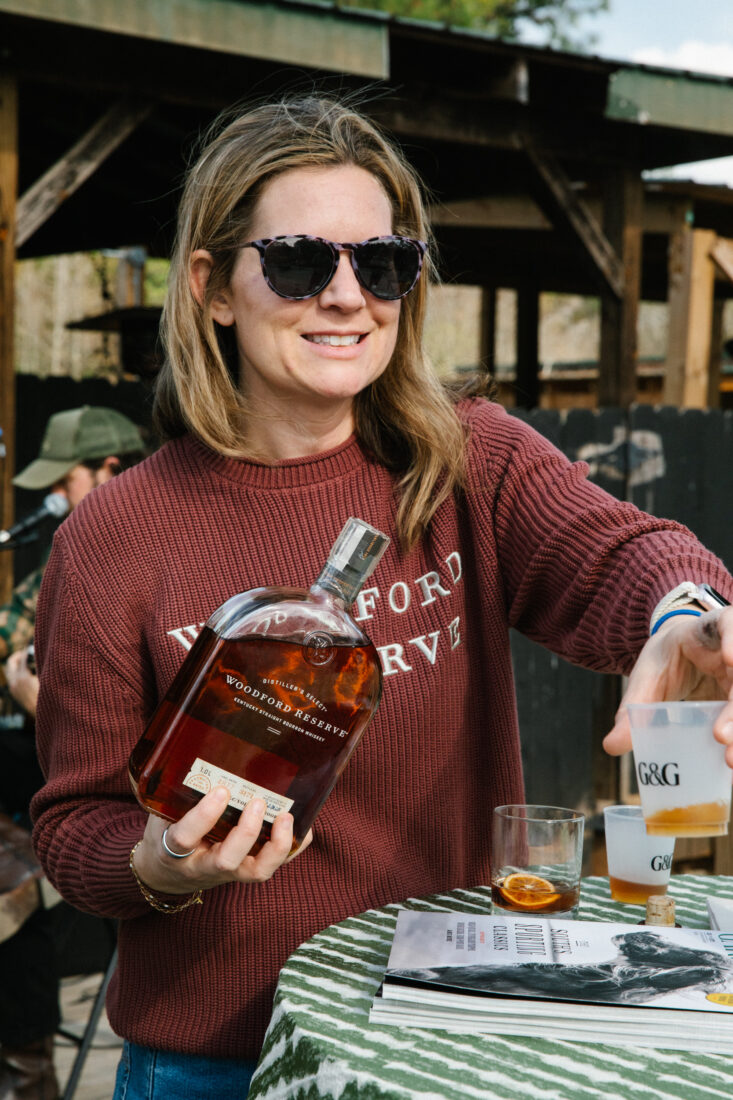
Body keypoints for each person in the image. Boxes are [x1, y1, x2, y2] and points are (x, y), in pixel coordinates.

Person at [29, 95, 733, 1099]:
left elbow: (624, 553)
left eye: (385, 263)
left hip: (444, 1036)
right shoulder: (113, 538)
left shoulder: (466, 460)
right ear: (212, 287)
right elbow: (72, 826)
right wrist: (159, 864)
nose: (348, 295)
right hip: (214, 1060)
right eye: (300, 261)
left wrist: (684, 615)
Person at [0, 405, 146, 1100]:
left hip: (137, 832)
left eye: (65, 482)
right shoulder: (64, 559)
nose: (54, 499)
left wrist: (36, 701)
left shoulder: (147, 562)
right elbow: (12, 632)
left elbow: (145, 753)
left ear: (110, 472)